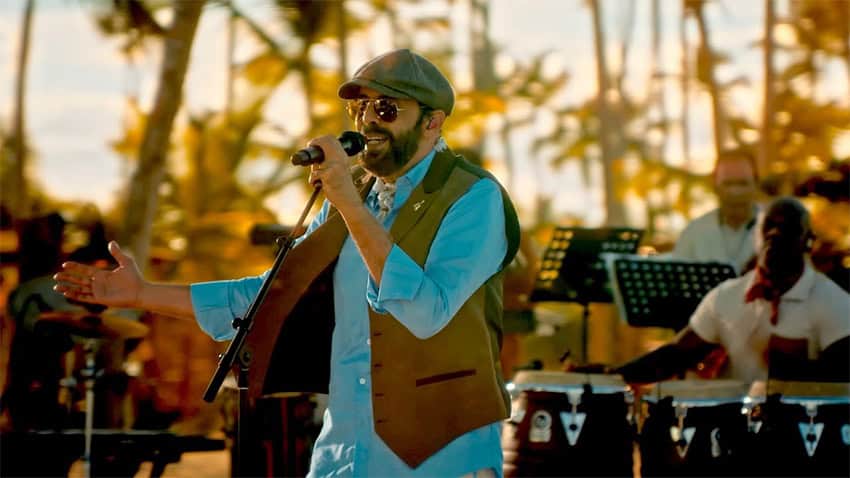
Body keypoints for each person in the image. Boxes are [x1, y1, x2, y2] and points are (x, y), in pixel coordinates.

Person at [55, 49, 520, 477]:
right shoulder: (353, 197)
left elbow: (425, 312)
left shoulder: (473, 198)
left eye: (386, 110)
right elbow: (269, 294)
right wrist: (142, 294)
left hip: (442, 458)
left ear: (432, 123)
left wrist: (348, 205)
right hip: (345, 452)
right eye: (359, 110)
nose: (366, 123)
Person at [610, 197, 850, 385]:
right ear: (756, 235)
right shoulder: (727, 296)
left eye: (788, 229)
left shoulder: (831, 301)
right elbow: (676, 355)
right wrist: (610, 375)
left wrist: (796, 370)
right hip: (731, 437)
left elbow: (842, 375)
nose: (775, 235)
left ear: (808, 241)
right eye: (769, 226)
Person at [672, 150, 760, 275]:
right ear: (714, 186)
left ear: (756, 183)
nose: (735, 192)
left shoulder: (779, 230)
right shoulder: (692, 233)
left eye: (742, 183)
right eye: (728, 184)